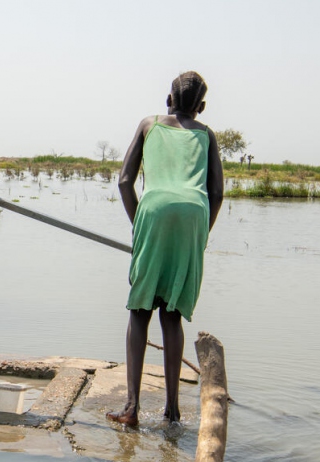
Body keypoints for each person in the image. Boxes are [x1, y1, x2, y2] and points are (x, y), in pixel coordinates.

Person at [107, 71, 224, 426]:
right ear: (201, 107)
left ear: (168, 100)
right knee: (171, 315)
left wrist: (140, 222)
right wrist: (200, 233)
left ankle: (131, 408)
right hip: (194, 214)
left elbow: (125, 180)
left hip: (154, 209)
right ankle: (172, 411)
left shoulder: (149, 124)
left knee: (140, 310)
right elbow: (216, 192)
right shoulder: (207, 135)